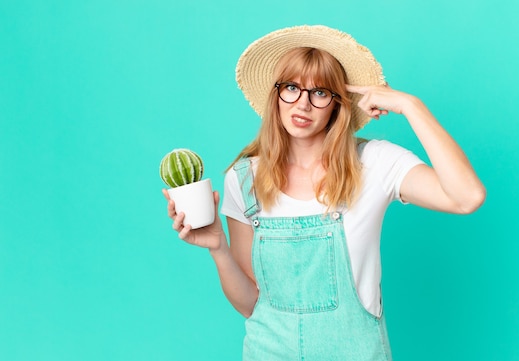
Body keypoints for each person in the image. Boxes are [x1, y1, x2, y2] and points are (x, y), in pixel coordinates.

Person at [163, 25, 485, 360]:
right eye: (292, 88)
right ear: (276, 95)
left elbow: (467, 197)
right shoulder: (243, 179)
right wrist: (218, 248)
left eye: (319, 92)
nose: (302, 104)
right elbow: (250, 304)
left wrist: (411, 105)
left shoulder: (375, 163)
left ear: (336, 104)